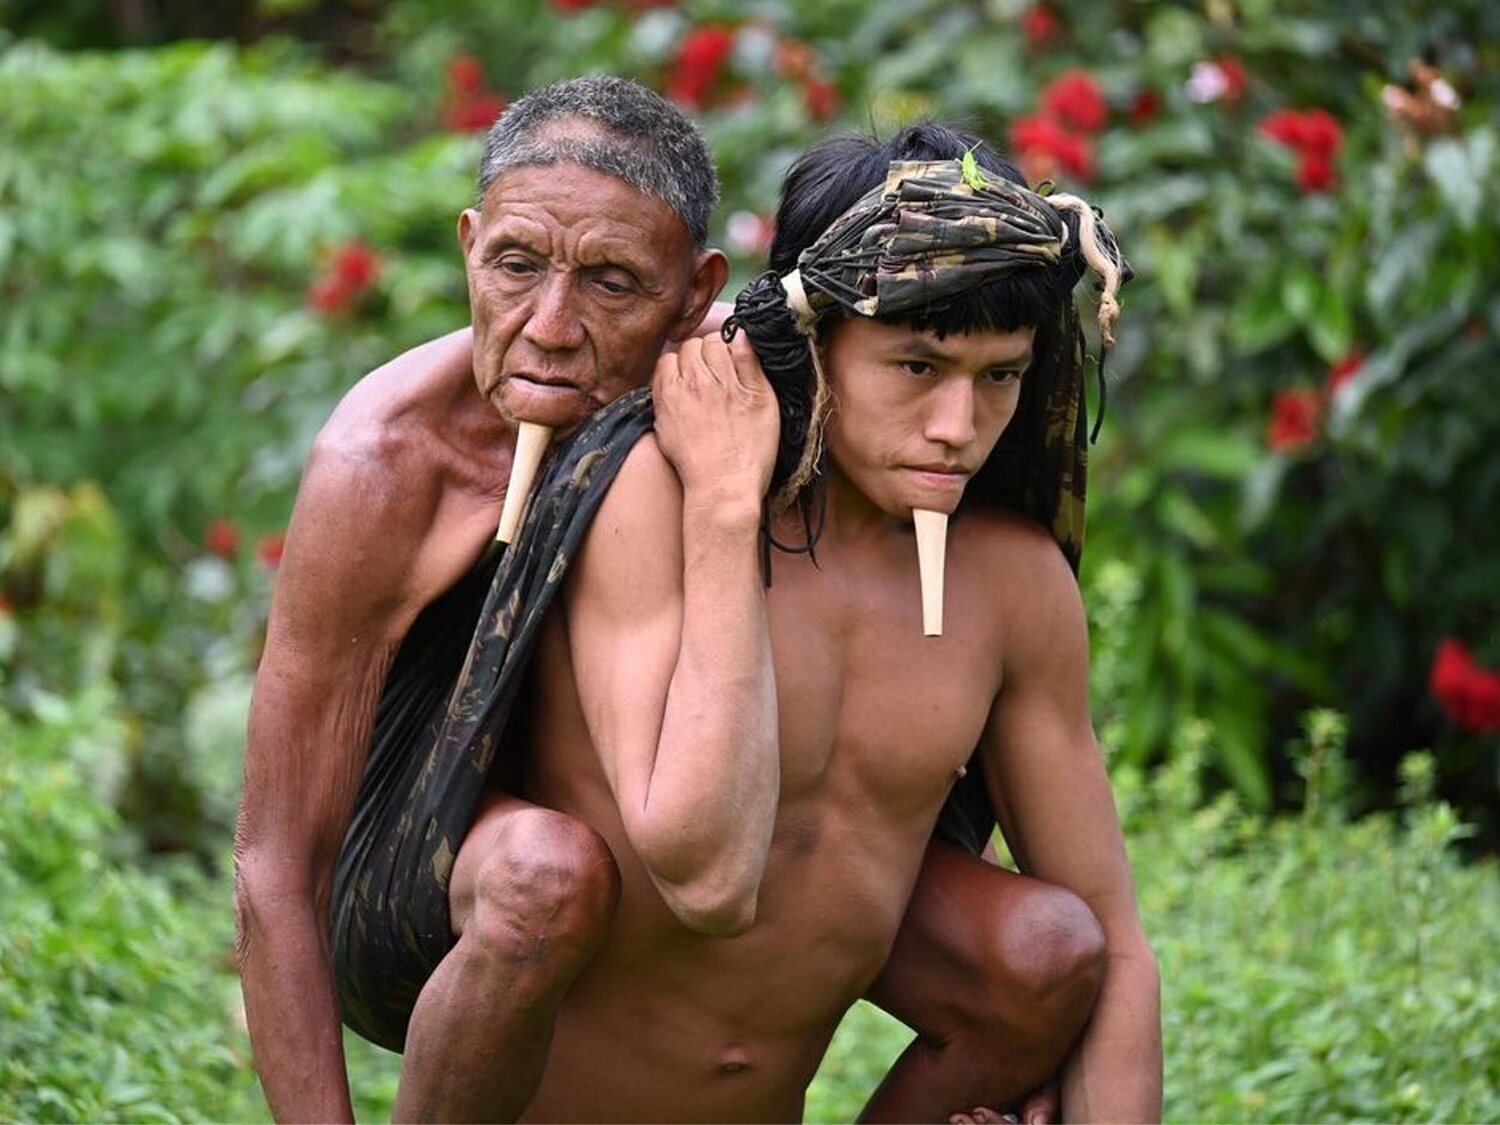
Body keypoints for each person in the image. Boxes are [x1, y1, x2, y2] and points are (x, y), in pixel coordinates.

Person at [235, 74, 1123, 1125]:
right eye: (516, 266)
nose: (552, 329)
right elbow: (276, 861)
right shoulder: (388, 460)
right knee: (542, 875)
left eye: (612, 283)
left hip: (696, 886)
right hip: (464, 877)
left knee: (1038, 948)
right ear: (468, 246)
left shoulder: (727, 428)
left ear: (698, 298)